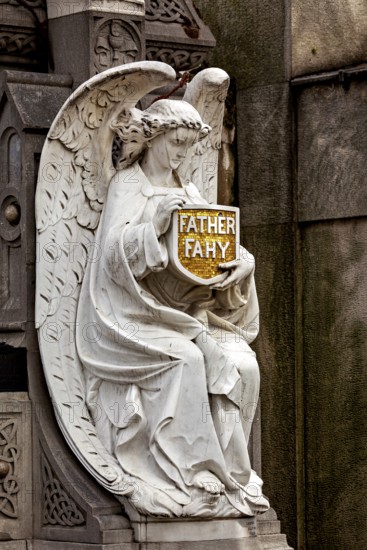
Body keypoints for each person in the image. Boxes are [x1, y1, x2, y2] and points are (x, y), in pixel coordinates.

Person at [76, 99, 269, 518]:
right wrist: (154, 226)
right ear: (155, 138)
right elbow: (110, 257)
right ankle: (193, 471)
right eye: (176, 142)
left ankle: (236, 473)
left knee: (244, 365)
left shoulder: (190, 190)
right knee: (187, 360)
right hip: (129, 315)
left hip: (188, 314)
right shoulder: (128, 185)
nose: (182, 153)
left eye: (188, 145)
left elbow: (207, 250)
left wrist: (242, 265)